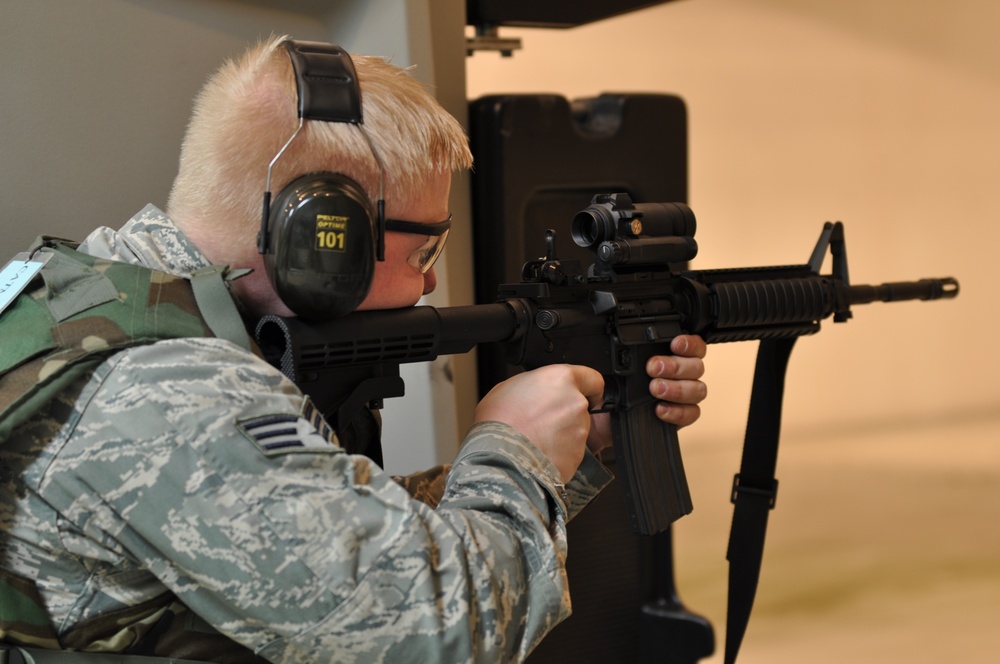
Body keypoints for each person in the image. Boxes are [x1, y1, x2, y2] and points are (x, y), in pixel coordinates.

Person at [0, 36, 707, 663]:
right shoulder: (178, 393)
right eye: (424, 245)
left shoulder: (89, 296)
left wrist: (570, 455)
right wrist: (511, 445)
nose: (431, 278)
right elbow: (439, 632)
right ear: (321, 237)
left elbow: (325, 531)